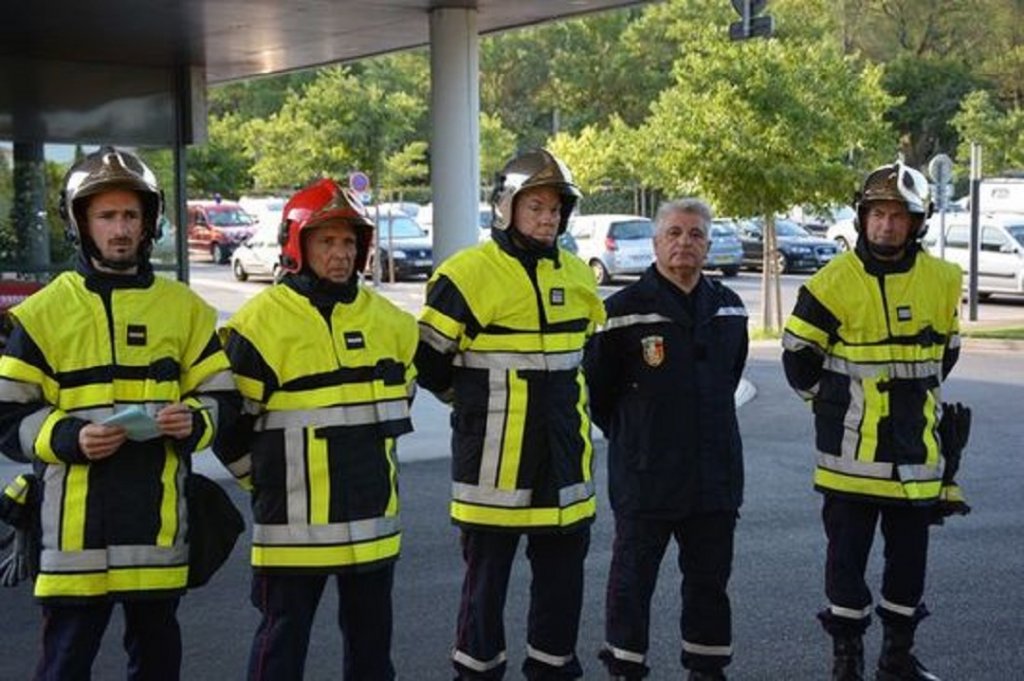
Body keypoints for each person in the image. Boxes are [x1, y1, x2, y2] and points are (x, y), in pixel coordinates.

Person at [0, 146, 239, 680]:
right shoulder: (41, 314)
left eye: (131, 214)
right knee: (63, 665)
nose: (121, 228)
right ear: (81, 223)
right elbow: (8, 419)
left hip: (155, 530)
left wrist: (195, 420)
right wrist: (68, 438)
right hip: (71, 538)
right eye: (106, 215)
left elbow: (224, 398)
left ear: (149, 222)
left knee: (157, 664)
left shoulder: (186, 310)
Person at [214, 178, 418, 681]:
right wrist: (262, 483)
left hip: (372, 529)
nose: (341, 253)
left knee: (372, 658)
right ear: (297, 243)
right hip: (291, 531)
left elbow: (402, 399)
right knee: (280, 654)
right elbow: (226, 429)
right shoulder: (257, 325)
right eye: (327, 240)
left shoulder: (392, 323)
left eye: (350, 241)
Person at [415, 148, 606, 680]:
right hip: (492, 470)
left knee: (562, 589)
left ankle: (552, 670)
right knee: (484, 594)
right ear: (506, 207)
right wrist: (474, 407)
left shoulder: (580, 276)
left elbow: (590, 362)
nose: (547, 218)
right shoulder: (466, 275)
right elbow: (429, 364)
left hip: (565, 469)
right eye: (535, 206)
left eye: (555, 209)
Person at [782, 161, 963, 681]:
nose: (886, 226)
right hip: (850, 460)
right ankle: (847, 661)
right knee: (846, 568)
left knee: (909, 568)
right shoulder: (830, 281)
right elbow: (798, 361)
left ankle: (896, 658)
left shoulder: (944, 280)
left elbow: (944, 356)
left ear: (917, 222)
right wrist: (839, 407)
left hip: (916, 456)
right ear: (862, 218)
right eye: (877, 214)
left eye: (898, 216)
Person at [583, 199, 748, 681]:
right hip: (646, 477)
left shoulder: (729, 308)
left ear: (708, 245)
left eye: (696, 234)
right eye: (674, 233)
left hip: (714, 478)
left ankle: (707, 670)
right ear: (655, 243)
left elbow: (728, 377)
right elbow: (600, 394)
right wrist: (638, 439)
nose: (684, 243)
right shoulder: (620, 312)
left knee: (709, 585)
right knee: (632, 585)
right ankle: (626, 669)